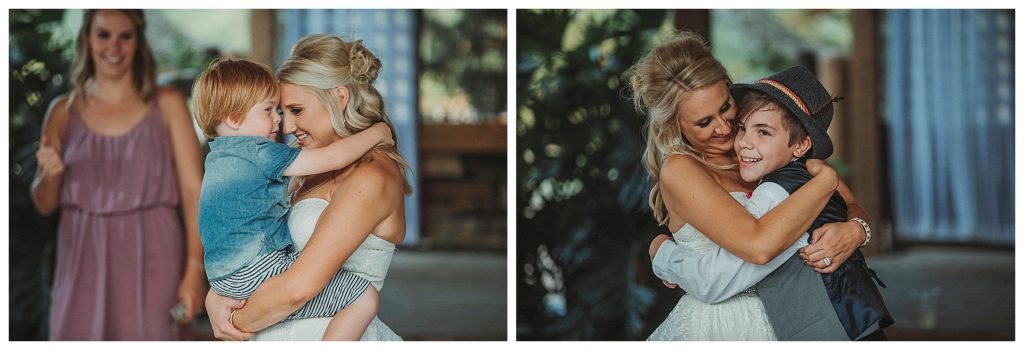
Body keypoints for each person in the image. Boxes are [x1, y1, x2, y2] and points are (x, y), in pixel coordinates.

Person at [629, 32, 874, 340]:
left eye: (726, 106)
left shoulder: (760, 145)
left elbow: (851, 205)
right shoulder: (682, 170)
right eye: (703, 123)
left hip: (794, 316)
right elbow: (758, 247)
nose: (724, 127)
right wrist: (661, 251)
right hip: (721, 326)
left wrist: (856, 231)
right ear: (675, 125)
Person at [204, 34, 411, 341]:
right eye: (280, 113)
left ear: (340, 98)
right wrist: (218, 294)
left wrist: (234, 320)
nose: (285, 127)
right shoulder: (304, 170)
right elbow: (249, 235)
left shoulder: (371, 175)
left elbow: (299, 289)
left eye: (296, 110)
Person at [30, 9, 206, 340]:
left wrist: (194, 269)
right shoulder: (62, 113)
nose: (114, 46)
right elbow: (44, 204)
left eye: (125, 35)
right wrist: (49, 177)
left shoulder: (166, 103)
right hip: (81, 256)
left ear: (139, 42)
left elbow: (193, 190)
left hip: (155, 251)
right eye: (103, 34)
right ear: (87, 39)